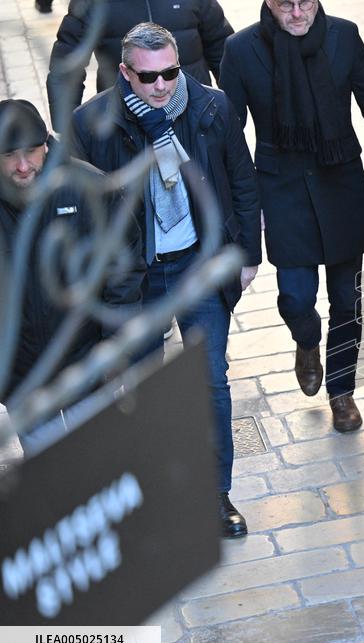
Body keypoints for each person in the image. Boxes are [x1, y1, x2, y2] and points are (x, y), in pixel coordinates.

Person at [72, 23, 262, 539]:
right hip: (136, 278)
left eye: (171, 73)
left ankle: (216, 495)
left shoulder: (211, 108)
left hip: (200, 266)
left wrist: (248, 254)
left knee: (210, 382)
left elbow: (241, 177)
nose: (161, 86)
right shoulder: (92, 123)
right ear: (125, 72)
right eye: (149, 77)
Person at [221, 0, 364, 433]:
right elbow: (229, 133)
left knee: (348, 301)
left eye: (306, 3)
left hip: (341, 184)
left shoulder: (344, 35)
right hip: (280, 187)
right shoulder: (241, 50)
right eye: (286, 5)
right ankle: (307, 341)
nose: (297, 13)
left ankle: (341, 390)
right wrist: (245, 203)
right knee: (296, 297)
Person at [0, 99, 104, 435]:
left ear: (46, 143)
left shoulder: (85, 186)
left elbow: (124, 270)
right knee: (51, 482)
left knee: (99, 475)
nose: (22, 165)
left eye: (30, 151)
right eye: (9, 156)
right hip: (23, 380)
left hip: (86, 366)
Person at [46, 0, 233, 132]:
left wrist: (232, 114)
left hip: (194, 117)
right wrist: (67, 129)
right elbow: (66, 68)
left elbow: (221, 49)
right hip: (125, 128)